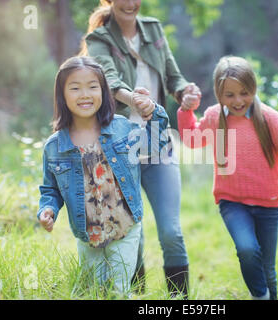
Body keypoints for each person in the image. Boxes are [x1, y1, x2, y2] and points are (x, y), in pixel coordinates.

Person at [177, 56, 278, 300]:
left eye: (244, 93)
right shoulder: (216, 117)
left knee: (267, 269)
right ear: (218, 93)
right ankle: (260, 296)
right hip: (232, 202)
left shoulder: (271, 119)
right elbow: (191, 139)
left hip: (268, 205)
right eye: (229, 95)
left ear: (253, 89)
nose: (238, 100)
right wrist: (186, 111)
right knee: (247, 249)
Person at [80, 0, 201, 297]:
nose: (131, 3)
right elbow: (108, 80)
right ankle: (139, 296)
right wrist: (135, 100)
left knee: (171, 232)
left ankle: (180, 299)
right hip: (120, 151)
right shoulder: (99, 39)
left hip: (159, 145)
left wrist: (187, 93)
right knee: (134, 234)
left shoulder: (153, 29)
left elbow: (173, 76)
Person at [37, 56, 169, 296]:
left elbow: (155, 143)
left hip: (125, 228)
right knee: (93, 291)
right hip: (88, 236)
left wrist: (153, 110)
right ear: (62, 96)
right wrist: (48, 210)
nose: (85, 94)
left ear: (104, 92)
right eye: (75, 88)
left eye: (92, 86)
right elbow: (51, 190)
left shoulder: (121, 128)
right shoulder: (55, 146)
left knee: (119, 290)